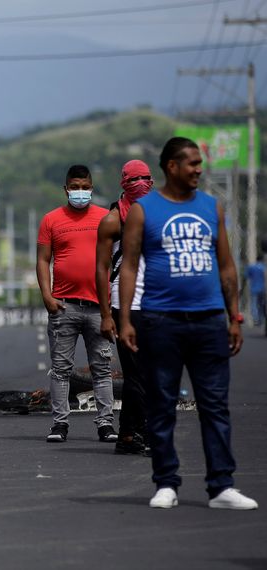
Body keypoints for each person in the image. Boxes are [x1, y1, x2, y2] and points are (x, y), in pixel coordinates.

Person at [119, 137, 258, 510]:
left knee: (214, 405)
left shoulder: (212, 208)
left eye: (200, 163)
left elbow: (226, 265)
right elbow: (129, 265)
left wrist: (235, 317)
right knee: (161, 404)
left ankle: (221, 487)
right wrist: (125, 319)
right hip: (160, 321)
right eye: (191, 163)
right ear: (170, 167)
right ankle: (166, 483)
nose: (198, 169)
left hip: (209, 320)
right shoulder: (144, 211)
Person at [37, 164, 116, 444]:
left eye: (85, 187)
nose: (80, 192)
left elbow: (119, 262)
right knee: (60, 369)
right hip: (64, 307)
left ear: (91, 188)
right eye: (75, 187)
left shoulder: (107, 218)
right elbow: (43, 260)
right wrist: (48, 296)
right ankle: (60, 424)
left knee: (102, 369)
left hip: (100, 308)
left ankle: (106, 424)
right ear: (66, 189)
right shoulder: (51, 220)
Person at [95, 160, 152, 455]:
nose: (141, 183)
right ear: (123, 184)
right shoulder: (113, 221)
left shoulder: (159, 213)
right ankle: (131, 434)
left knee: (152, 373)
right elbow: (101, 268)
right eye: (134, 179)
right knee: (137, 373)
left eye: (146, 178)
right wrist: (106, 315)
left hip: (157, 304)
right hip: (125, 304)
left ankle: (135, 432)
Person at [242, 257, 265, 327]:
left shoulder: (252, 267)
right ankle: (261, 319)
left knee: (254, 304)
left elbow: (245, 277)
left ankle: (256, 319)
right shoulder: (264, 267)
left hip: (254, 288)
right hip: (263, 289)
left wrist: (243, 288)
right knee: (261, 304)